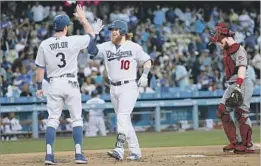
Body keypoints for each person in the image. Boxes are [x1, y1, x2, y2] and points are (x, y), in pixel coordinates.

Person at [35, 4, 102, 165]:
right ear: (65, 27)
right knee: (76, 119)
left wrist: (39, 88)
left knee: (52, 120)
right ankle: (78, 154)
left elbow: (39, 70)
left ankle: (49, 155)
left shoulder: (44, 44)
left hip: (54, 83)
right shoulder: (73, 40)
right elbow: (92, 36)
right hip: (71, 82)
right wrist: (83, 19)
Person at [88, 20, 152, 160]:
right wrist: (94, 34)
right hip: (113, 88)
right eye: (111, 30)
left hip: (128, 86)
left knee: (122, 117)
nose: (112, 32)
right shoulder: (106, 46)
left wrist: (145, 74)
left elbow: (147, 61)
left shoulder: (133, 47)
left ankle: (119, 148)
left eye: (115, 30)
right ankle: (135, 151)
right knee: (125, 121)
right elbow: (91, 51)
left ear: (123, 31)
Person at [210, 23, 255, 154]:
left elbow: (242, 68)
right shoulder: (227, 50)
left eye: (219, 41)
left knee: (241, 113)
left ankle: (247, 144)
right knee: (222, 110)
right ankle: (235, 142)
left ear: (226, 37)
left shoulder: (239, 49)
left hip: (242, 83)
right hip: (231, 84)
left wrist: (238, 86)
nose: (218, 44)